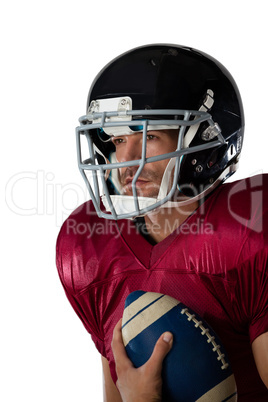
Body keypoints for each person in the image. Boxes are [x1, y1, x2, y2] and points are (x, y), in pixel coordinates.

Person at [56, 44, 268, 401]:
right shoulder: (87, 249)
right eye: (118, 139)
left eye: (149, 136)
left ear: (205, 142)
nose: (124, 159)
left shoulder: (251, 229)